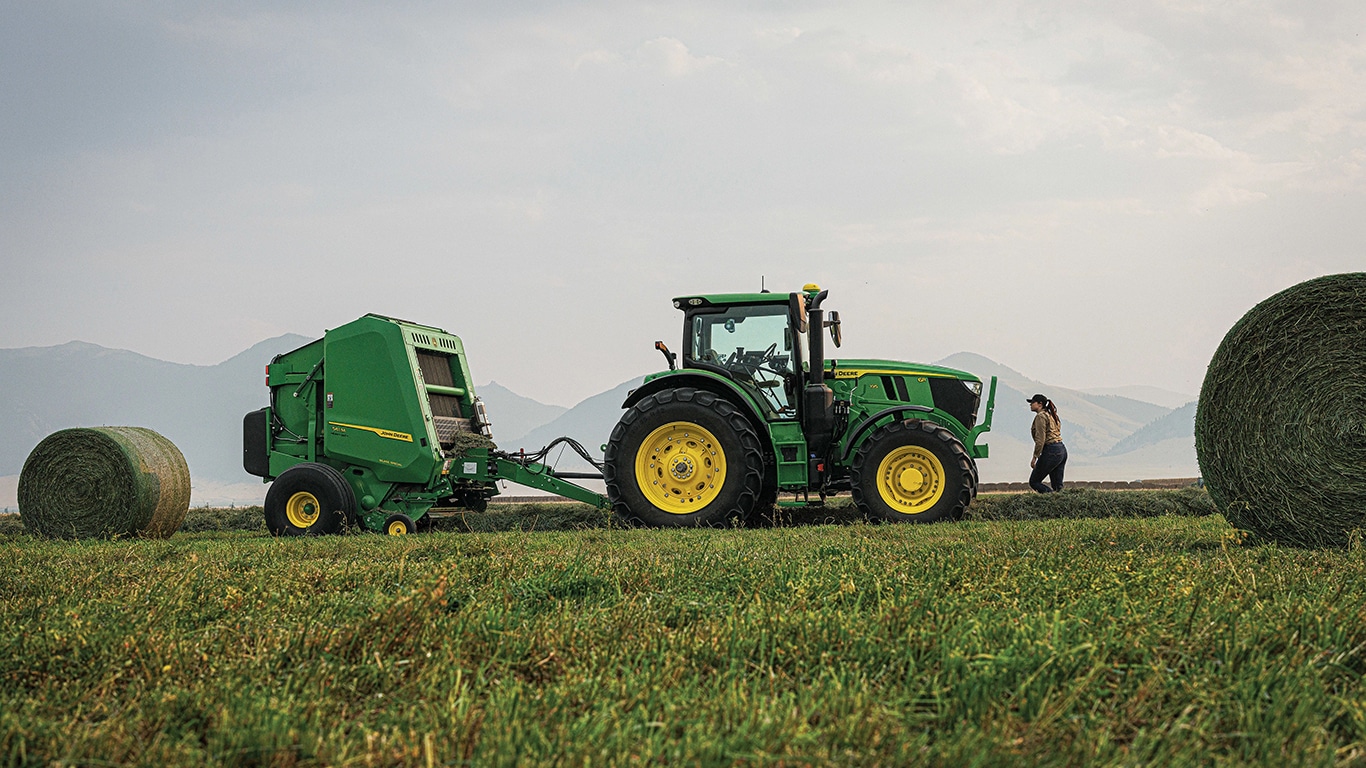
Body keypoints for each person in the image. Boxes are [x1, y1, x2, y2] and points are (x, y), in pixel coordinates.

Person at [1027, 393, 1067, 493]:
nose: (1030, 404)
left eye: (1032, 402)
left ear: (1040, 404)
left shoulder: (1041, 416)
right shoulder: (1051, 415)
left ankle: (1052, 499)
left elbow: (1041, 439)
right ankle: (1061, 502)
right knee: (1058, 486)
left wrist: (1035, 457)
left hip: (1051, 450)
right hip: (1061, 449)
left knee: (1034, 481)